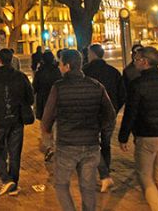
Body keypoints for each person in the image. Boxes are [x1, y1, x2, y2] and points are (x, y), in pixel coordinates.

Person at [42, 49, 116, 211]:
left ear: (67, 66)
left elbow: (47, 117)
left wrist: (46, 133)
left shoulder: (59, 87)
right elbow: (110, 115)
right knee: (88, 187)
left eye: (60, 64)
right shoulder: (96, 85)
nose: (59, 67)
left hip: (67, 145)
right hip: (91, 145)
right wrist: (97, 127)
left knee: (61, 184)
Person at [118, 46, 158, 211]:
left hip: (147, 137)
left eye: (137, 59)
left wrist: (123, 137)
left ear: (145, 62)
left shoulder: (137, 85)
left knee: (145, 176)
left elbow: (130, 114)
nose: (135, 62)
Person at [0, 49, 33, 196]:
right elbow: (30, 99)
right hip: (16, 120)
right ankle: (14, 185)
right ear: (12, 60)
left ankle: (6, 178)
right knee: (15, 153)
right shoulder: (21, 77)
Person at [82, 43, 125, 192]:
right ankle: (105, 169)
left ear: (92, 54)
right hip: (109, 114)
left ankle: (102, 174)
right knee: (105, 144)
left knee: (92, 144)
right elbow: (122, 95)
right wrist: (114, 108)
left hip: (90, 114)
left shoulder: (84, 72)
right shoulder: (113, 72)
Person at [32, 50, 61, 160]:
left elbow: (34, 88)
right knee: (54, 124)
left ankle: (49, 146)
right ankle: (54, 146)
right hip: (56, 101)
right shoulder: (57, 71)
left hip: (43, 102)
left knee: (44, 126)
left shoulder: (40, 72)